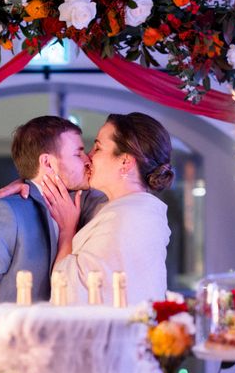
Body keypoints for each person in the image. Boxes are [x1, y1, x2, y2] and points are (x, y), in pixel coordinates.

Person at [0, 116, 104, 302]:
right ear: (48, 163)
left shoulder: (87, 205)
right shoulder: (3, 213)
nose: (88, 160)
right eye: (78, 153)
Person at [42, 112, 174, 305]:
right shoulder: (125, 209)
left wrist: (67, 231)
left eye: (97, 148)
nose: (88, 157)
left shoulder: (126, 219)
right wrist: (28, 183)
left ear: (125, 162)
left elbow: (68, 289)